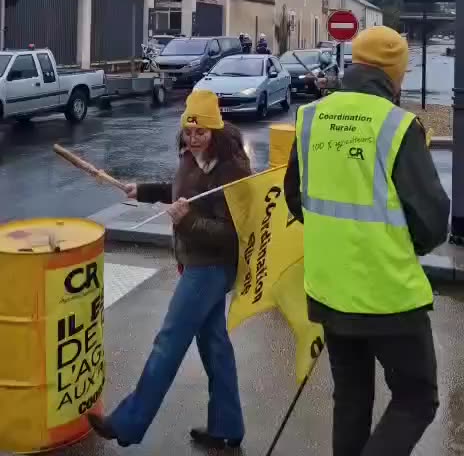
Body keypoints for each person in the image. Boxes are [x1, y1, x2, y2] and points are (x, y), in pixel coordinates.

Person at [284, 26, 450, 456]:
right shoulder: (396, 125)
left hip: (328, 288)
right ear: (394, 74)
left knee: (353, 397)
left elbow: (295, 198)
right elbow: (432, 222)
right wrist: (393, 243)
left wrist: (336, 236)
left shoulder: (311, 117)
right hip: (387, 294)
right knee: (416, 398)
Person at [88, 90, 251, 449]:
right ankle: (228, 426)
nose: (192, 139)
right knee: (215, 346)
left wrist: (188, 222)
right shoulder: (190, 158)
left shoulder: (232, 170)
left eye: (200, 133)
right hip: (193, 262)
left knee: (169, 341)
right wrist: (142, 190)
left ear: (214, 131)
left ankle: (128, 423)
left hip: (211, 268)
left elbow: (232, 234)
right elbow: (178, 191)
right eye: (188, 131)